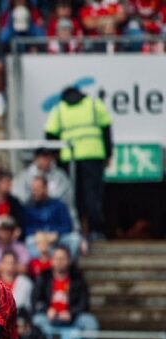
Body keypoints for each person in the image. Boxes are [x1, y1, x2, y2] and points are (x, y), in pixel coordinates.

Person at [44, 85, 113, 239]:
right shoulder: (95, 104)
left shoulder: (59, 109)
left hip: (70, 158)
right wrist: (108, 153)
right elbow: (107, 129)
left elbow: (49, 133)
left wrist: (55, 155)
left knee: (75, 196)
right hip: (94, 155)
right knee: (93, 195)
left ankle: (78, 229)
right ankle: (96, 230)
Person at [31, 245, 98, 339]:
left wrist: (71, 313)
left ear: (69, 260)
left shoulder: (78, 278)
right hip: (50, 319)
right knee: (37, 320)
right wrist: (47, 310)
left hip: (71, 319)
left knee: (90, 322)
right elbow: (35, 301)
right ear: (52, 260)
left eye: (63, 258)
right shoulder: (44, 277)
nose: (60, 261)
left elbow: (84, 304)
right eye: (57, 258)